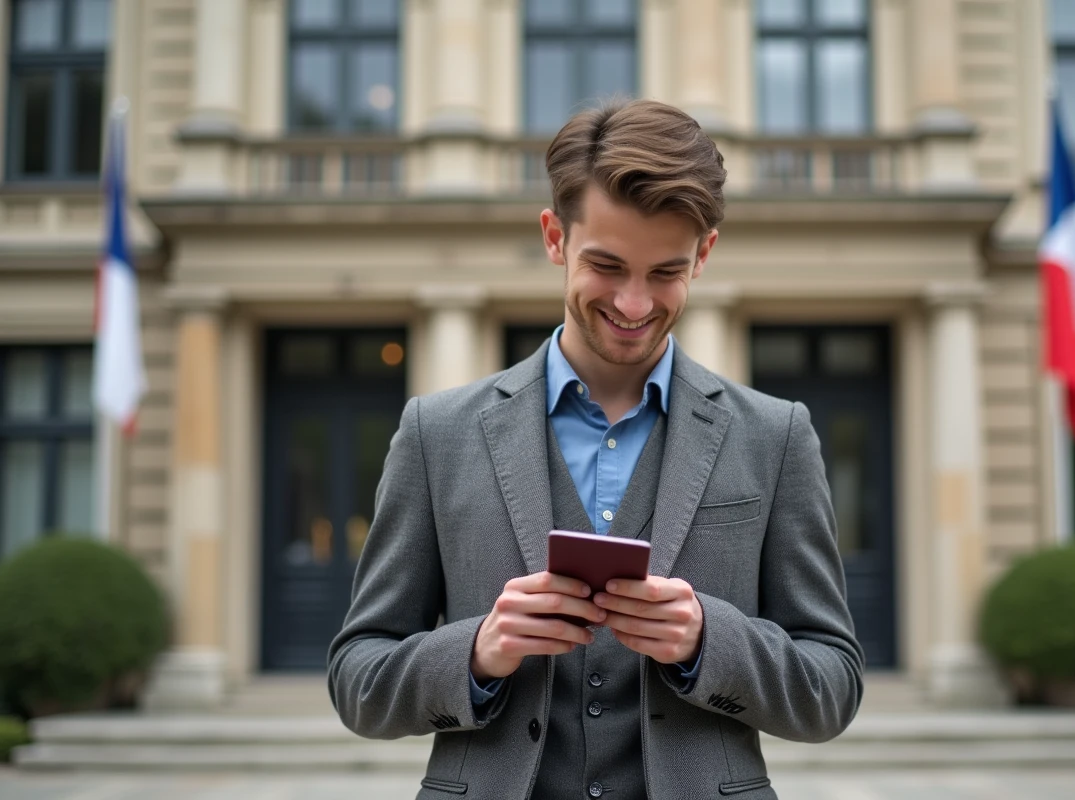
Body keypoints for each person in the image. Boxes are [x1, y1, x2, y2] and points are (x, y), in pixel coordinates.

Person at [328, 98, 864, 800]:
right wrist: (478, 652)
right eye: (607, 266)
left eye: (665, 272)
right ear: (555, 237)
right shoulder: (438, 434)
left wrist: (711, 640)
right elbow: (358, 678)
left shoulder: (775, 435)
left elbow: (833, 685)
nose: (635, 304)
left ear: (704, 254)